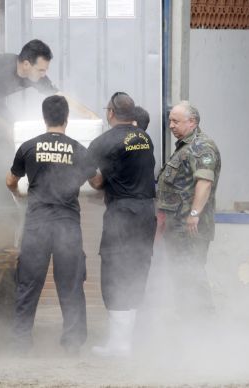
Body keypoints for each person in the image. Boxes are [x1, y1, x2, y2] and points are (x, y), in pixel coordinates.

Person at [0, 39, 98, 199]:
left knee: (11, 131)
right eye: (41, 70)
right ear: (26, 64)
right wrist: (6, 130)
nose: (44, 74)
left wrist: (88, 113)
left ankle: (5, 185)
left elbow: (57, 95)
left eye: (45, 70)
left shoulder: (32, 74)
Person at [6, 95, 96, 355]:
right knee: (71, 283)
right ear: (67, 118)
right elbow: (97, 182)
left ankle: (21, 344)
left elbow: (11, 180)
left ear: (44, 117)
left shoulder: (28, 147)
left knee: (28, 284)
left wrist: (18, 193)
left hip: (37, 224)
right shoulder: (79, 149)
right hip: (67, 224)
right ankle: (72, 344)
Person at [87, 92, 157, 357]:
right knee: (137, 270)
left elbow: (92, 179)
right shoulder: (145, 138)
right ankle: (126, 342)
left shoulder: (103, 141)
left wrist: (103, 182)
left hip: (121, 213)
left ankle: (119, 345)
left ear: (110, 113)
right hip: (145, 213)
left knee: (114, 273)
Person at [155, 102, 221, 322]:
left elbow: (204, 182)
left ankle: (205, 330)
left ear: (192, 122)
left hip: (190, 229)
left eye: (176, 121)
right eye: (170, 121)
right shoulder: (184, 147)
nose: (171, 125)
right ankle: (188, 328)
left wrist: (194, 214)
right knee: (182, 278)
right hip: (177, 228)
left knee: (193, 277)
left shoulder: (202, 146)